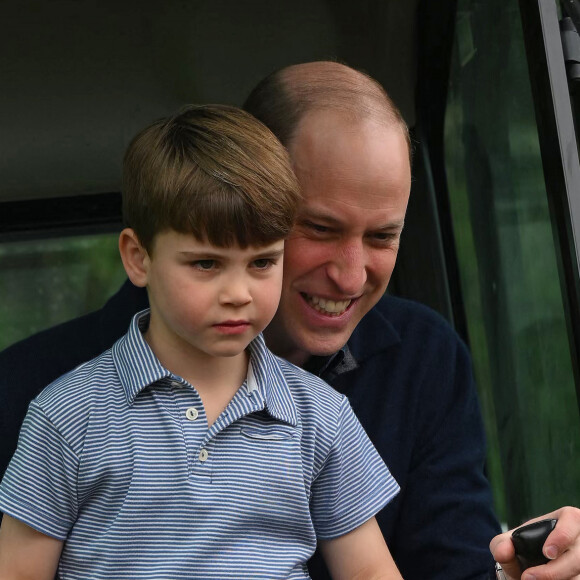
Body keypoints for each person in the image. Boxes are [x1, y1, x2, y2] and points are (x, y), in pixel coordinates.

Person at [1, 61, 579, 579]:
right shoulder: (46, 402)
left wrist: (525, 573)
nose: (351, 278)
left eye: (382, 236)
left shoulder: (385, 383)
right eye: (321, 229)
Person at [0, 104, 403, 579]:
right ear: (138, 258)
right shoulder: (68, 414)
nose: (238, 294)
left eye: (262, 263)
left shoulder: (321, 416)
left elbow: (371, 572)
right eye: (206, 264)